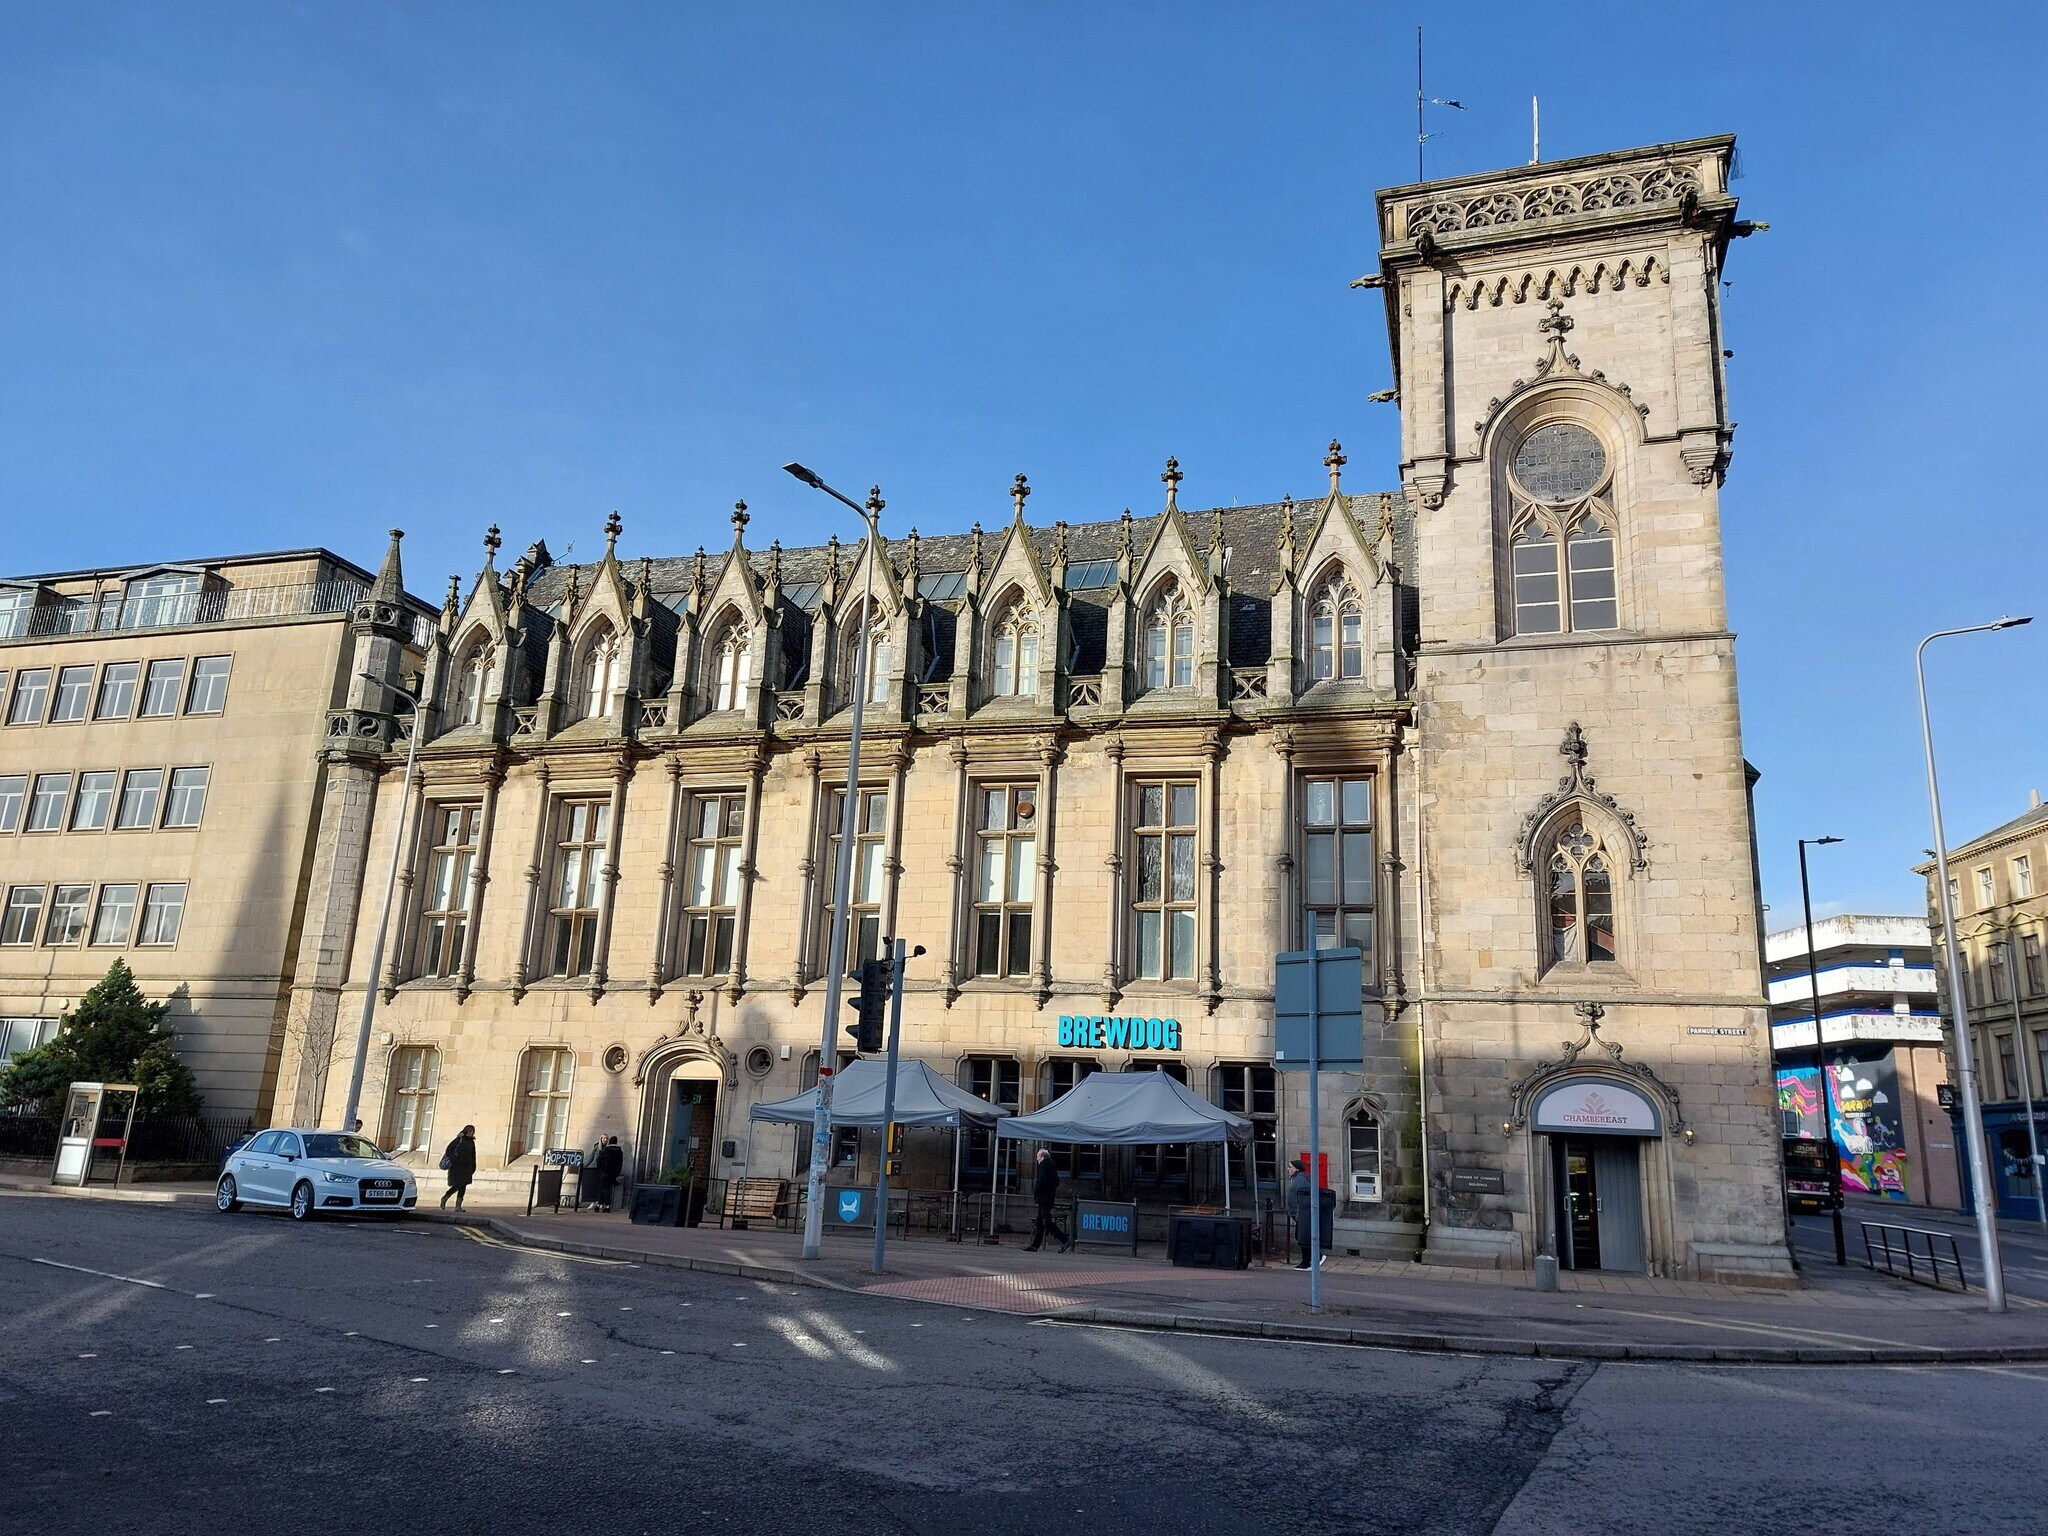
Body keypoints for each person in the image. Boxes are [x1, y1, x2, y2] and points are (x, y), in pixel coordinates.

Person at [1024, 1147, 1073, 1253]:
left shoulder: (1044, 1166)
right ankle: (1035, 1245)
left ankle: (1064, 1240)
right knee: (1040, 1222)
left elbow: (1042, 1180)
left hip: (1044, 1198)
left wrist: (1036, 1190)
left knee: (1046, 1222)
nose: (1036, 1159)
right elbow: (1056, 1182)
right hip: (1049, 1197)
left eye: (1037, 1157)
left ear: (1042, 1157)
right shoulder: (1052, 1166)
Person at [1286, 1154, 1325, 1269]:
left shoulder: (1300, 1179)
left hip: (1302, 1214)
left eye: (1290, 1167)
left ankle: (1315, 1257)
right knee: (1302, 1237)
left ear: (1296, 1169)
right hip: (1300, 1214)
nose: (1288, 1169)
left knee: (1303, 1237)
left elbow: (1302, 1197)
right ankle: (1306, 1261)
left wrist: (1298, 1214)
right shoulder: (1298, 1178)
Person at [439, 1125, 477, 1211]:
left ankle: (458, 1206)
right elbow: (449, 1150)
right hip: (457, 1166)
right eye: (470, 1131)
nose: (472, 1133)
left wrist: (473, 1166)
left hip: (467, 1167)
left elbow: (473, 1155)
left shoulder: (471, 1142)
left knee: (463, 1185)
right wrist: (454, 1159)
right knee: (457, 1185)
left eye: (473, 1131)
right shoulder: (459, 1140)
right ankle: (445, 1197)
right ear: (466, 1131)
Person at [593, 1134, 625, 1213]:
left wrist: (600, 1168)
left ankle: (607, 1205)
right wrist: (617, 1172)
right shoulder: (619, 1151)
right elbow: (620, 1163)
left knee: (605, 1189)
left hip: (605, 1172)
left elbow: (599, 1160)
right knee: (604, 1188)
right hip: (613, 1173)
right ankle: (599, 1205)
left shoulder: (606, 1150)